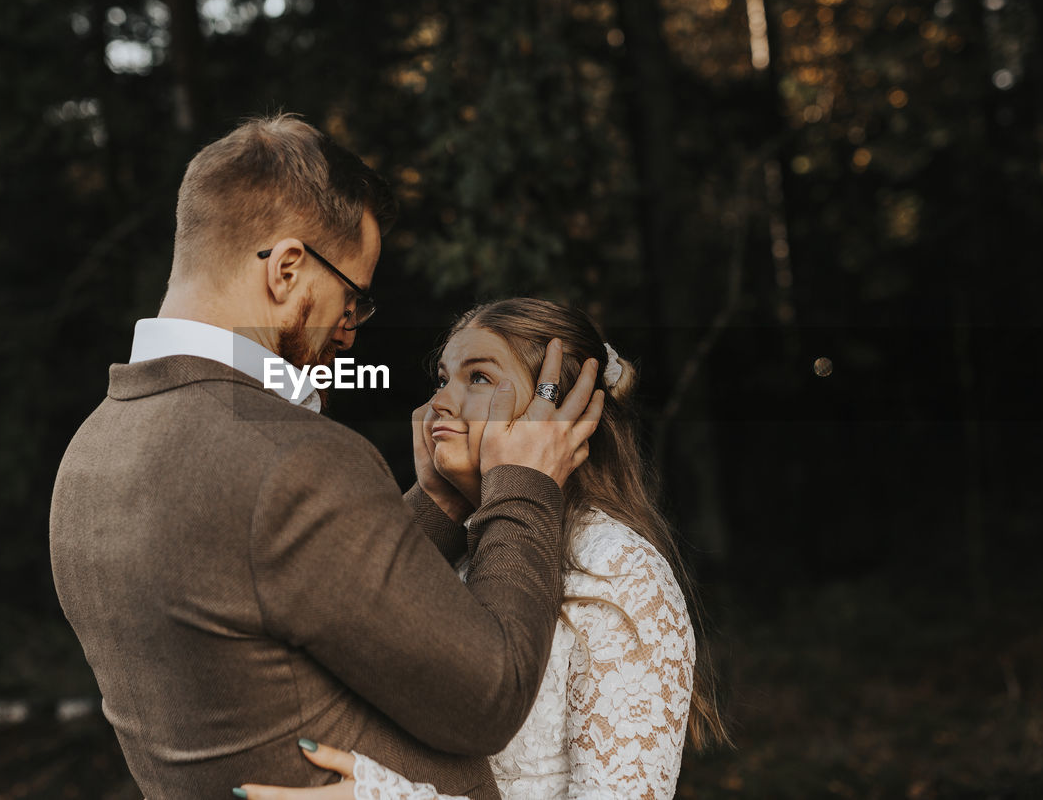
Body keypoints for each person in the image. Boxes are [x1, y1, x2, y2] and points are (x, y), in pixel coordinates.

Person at [48, 116, 605, 800]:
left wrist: (438, 504)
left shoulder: (88, 457)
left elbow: (299, 596)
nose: (351, 327)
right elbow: (491, 692)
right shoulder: (292, 456)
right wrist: (527, 483)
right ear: (285, 269)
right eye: (353, 295)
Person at [240, 299, 730, 800]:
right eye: (442, 377)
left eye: (478, 379)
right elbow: (320, 632)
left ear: (555, 413)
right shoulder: (462, 549)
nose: (440, 403)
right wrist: (434, 503)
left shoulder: (620, 570)